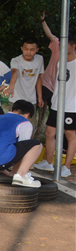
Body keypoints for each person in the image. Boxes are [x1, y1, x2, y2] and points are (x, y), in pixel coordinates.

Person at [0, 100, 44, 188]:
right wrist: (13, 174)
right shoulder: (24, 122)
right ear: (28, 115)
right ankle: (21, 175)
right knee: (36, 145)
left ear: (12, 109)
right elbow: (22, 151)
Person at [36, 33, 76, 176]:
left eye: (64, 45)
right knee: (49, 133)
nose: (61, 48)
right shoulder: (60, 62)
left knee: (70, 135)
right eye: (60, 45)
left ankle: (66, 167)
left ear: (73, 46)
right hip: (56, 104)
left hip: (71, 107)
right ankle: (48, 163)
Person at [6, 37, 44, 134]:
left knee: (30, 127)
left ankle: (28, 147)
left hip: (31, 99)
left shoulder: (39, 59)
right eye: (26, 49)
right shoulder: (16, 60)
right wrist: (11, 87)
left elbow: (38, 78)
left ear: (37, 50)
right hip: (16, 99)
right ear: (22, 48)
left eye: (32, 49)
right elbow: (15, 72)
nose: (28, 52)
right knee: (14, 127)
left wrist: (40, 97)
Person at [36, 11, 61, 137]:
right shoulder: (58, 46)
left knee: (55, 114)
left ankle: (56, 139)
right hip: (46, 83)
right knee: (34, 107)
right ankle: (32, 133)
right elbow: (50, 35)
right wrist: (43, 21)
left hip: (59, 90)